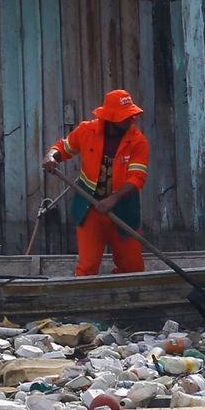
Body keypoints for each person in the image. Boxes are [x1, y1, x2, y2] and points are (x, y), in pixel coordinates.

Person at [43, 88, 149, 277]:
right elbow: (62, 148)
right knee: (87, 267)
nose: (130, 120)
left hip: (123, 209)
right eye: (125, 117)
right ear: (110, 118)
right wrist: (51, 157)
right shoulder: (87, 130)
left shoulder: (137, 141)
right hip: (89, 207)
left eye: (131, 115)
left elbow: (137, 178)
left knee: (133, 268)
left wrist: (113, 199)